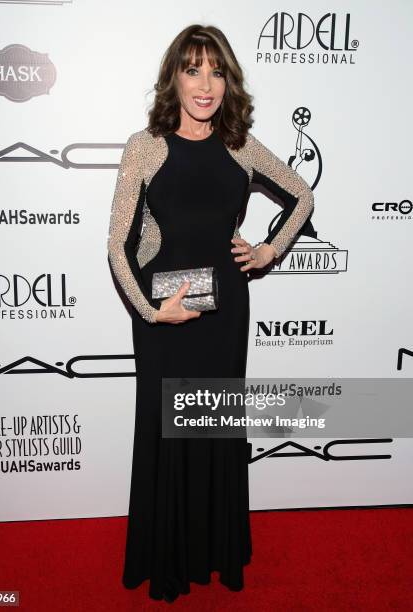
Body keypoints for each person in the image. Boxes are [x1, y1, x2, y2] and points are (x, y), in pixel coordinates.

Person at [107, 24, 314, 603]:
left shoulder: (240, 145)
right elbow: (117, 243)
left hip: (225, 305)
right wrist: (151, 312)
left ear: (228, 81)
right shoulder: (145, 145)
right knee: (166, 429)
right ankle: (168, 557)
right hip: (168, 306)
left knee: (216, 426)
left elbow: (303, 194)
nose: (205, 84)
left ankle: (215, 549)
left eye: (216, 71)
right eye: (193, 69)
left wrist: (269, 249)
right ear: (174, 76)